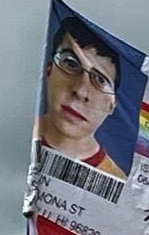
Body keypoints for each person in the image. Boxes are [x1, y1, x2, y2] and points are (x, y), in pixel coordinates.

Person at [37, 17, 125, 178]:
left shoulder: (117, 184)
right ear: (49, 70)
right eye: (71, 64)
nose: (81, 91)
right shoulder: (8, 139)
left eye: (100, 81)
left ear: (112, 105)